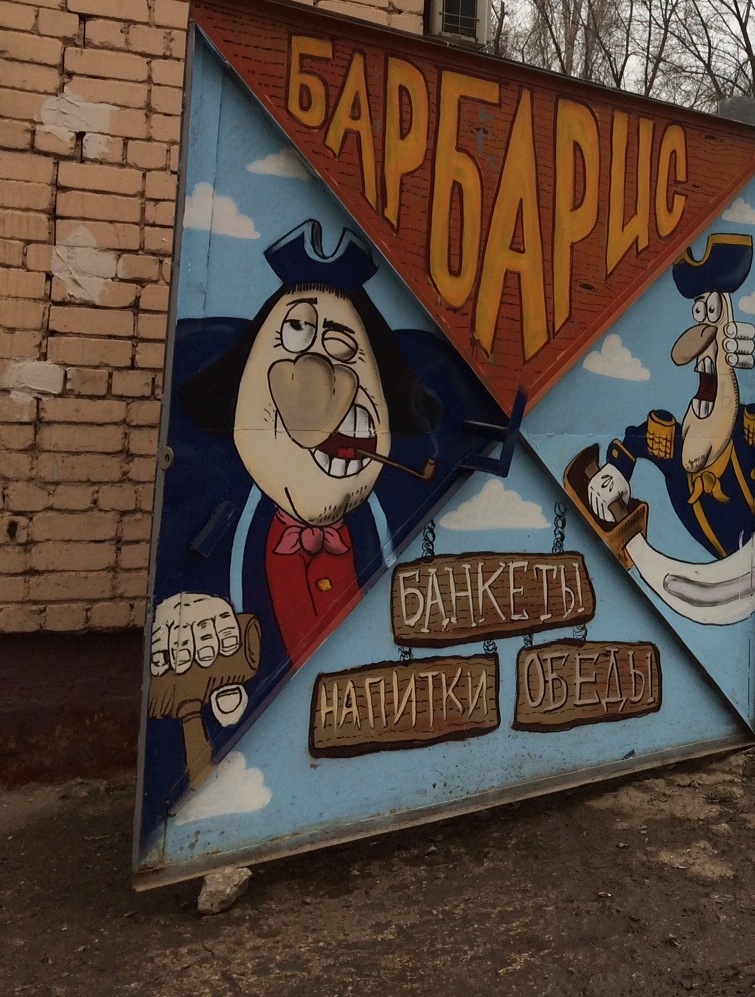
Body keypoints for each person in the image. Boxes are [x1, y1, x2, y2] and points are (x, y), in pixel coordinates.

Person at [141, 220, 518, 846]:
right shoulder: (222, 555)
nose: (323, 381)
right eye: (295, 337)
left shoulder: (396, 533)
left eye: (345, 349)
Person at [585, 234, 755, 560]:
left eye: (712, 312)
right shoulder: (677, 446)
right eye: (699, 312)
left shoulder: (748, 433)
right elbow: (638, 440)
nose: (701, 350)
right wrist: (615, 471)